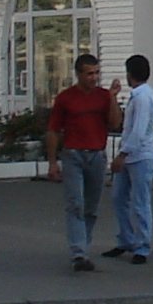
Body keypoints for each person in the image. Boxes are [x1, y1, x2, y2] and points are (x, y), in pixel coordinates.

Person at [44, 53, 119, 273]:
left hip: (96, 155)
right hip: (73, 154)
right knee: (75, 203)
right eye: (89, 74)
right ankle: (79, 253)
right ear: (78, 74)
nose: (93, 78)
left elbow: (115, 124)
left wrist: (113, 98)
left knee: (91, 207)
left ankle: (83, 246)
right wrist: (52, 163)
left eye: (96, 73)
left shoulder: (104, 96)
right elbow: (53, 130)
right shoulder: (66, 98)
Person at [107, 54, 153, 266]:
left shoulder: (142, 97)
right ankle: (126, 239)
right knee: (119, 197)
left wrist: (122, 154)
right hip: (132, 155)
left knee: (140, 201)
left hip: (139, 156)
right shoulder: (139, 96)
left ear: (130, 73)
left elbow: (138, 131)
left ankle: (142, 245)